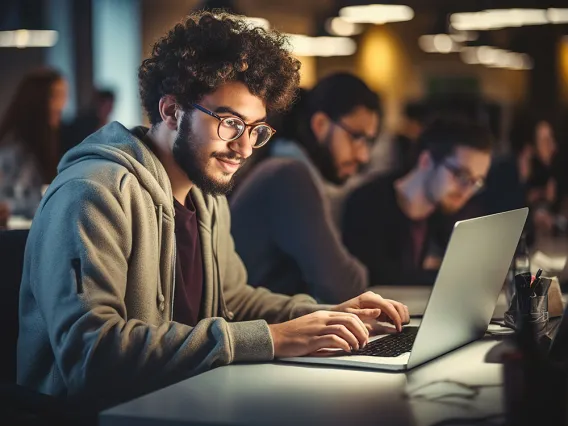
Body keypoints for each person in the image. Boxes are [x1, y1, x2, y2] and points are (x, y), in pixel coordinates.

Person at [17, 12, 409, 411]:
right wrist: (275, 338)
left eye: (256, 129)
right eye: (229, 123)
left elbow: (234, 299)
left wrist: (324, 317)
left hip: (179, 403)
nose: (244, 148)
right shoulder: (91, 194)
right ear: (170, 111)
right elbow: (91, 356)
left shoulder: (207, 197)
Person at [230, 73, 381, 303]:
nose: (363, 155)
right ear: (320, 125)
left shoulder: (280, 166)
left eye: (369, 142)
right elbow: (343, 287)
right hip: (261, 332)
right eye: (356, 137)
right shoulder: (288, 176)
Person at [342, 117, 493, 286]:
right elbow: (376, 281)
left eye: (476, 182)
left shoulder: (450, 212)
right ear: (426, 161)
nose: (467, 190)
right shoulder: (368, 204)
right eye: (461, 175)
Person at [0, 68, 68, 219]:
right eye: (56, 95)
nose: (62, 104)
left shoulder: (39, 143)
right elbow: (13, 202)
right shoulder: (13, 147)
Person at [61, 89, 115, 154]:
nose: (109, 110)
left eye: (110, 106)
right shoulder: (84, 123)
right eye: (107, 106)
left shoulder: (110, 127)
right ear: (99, 105)